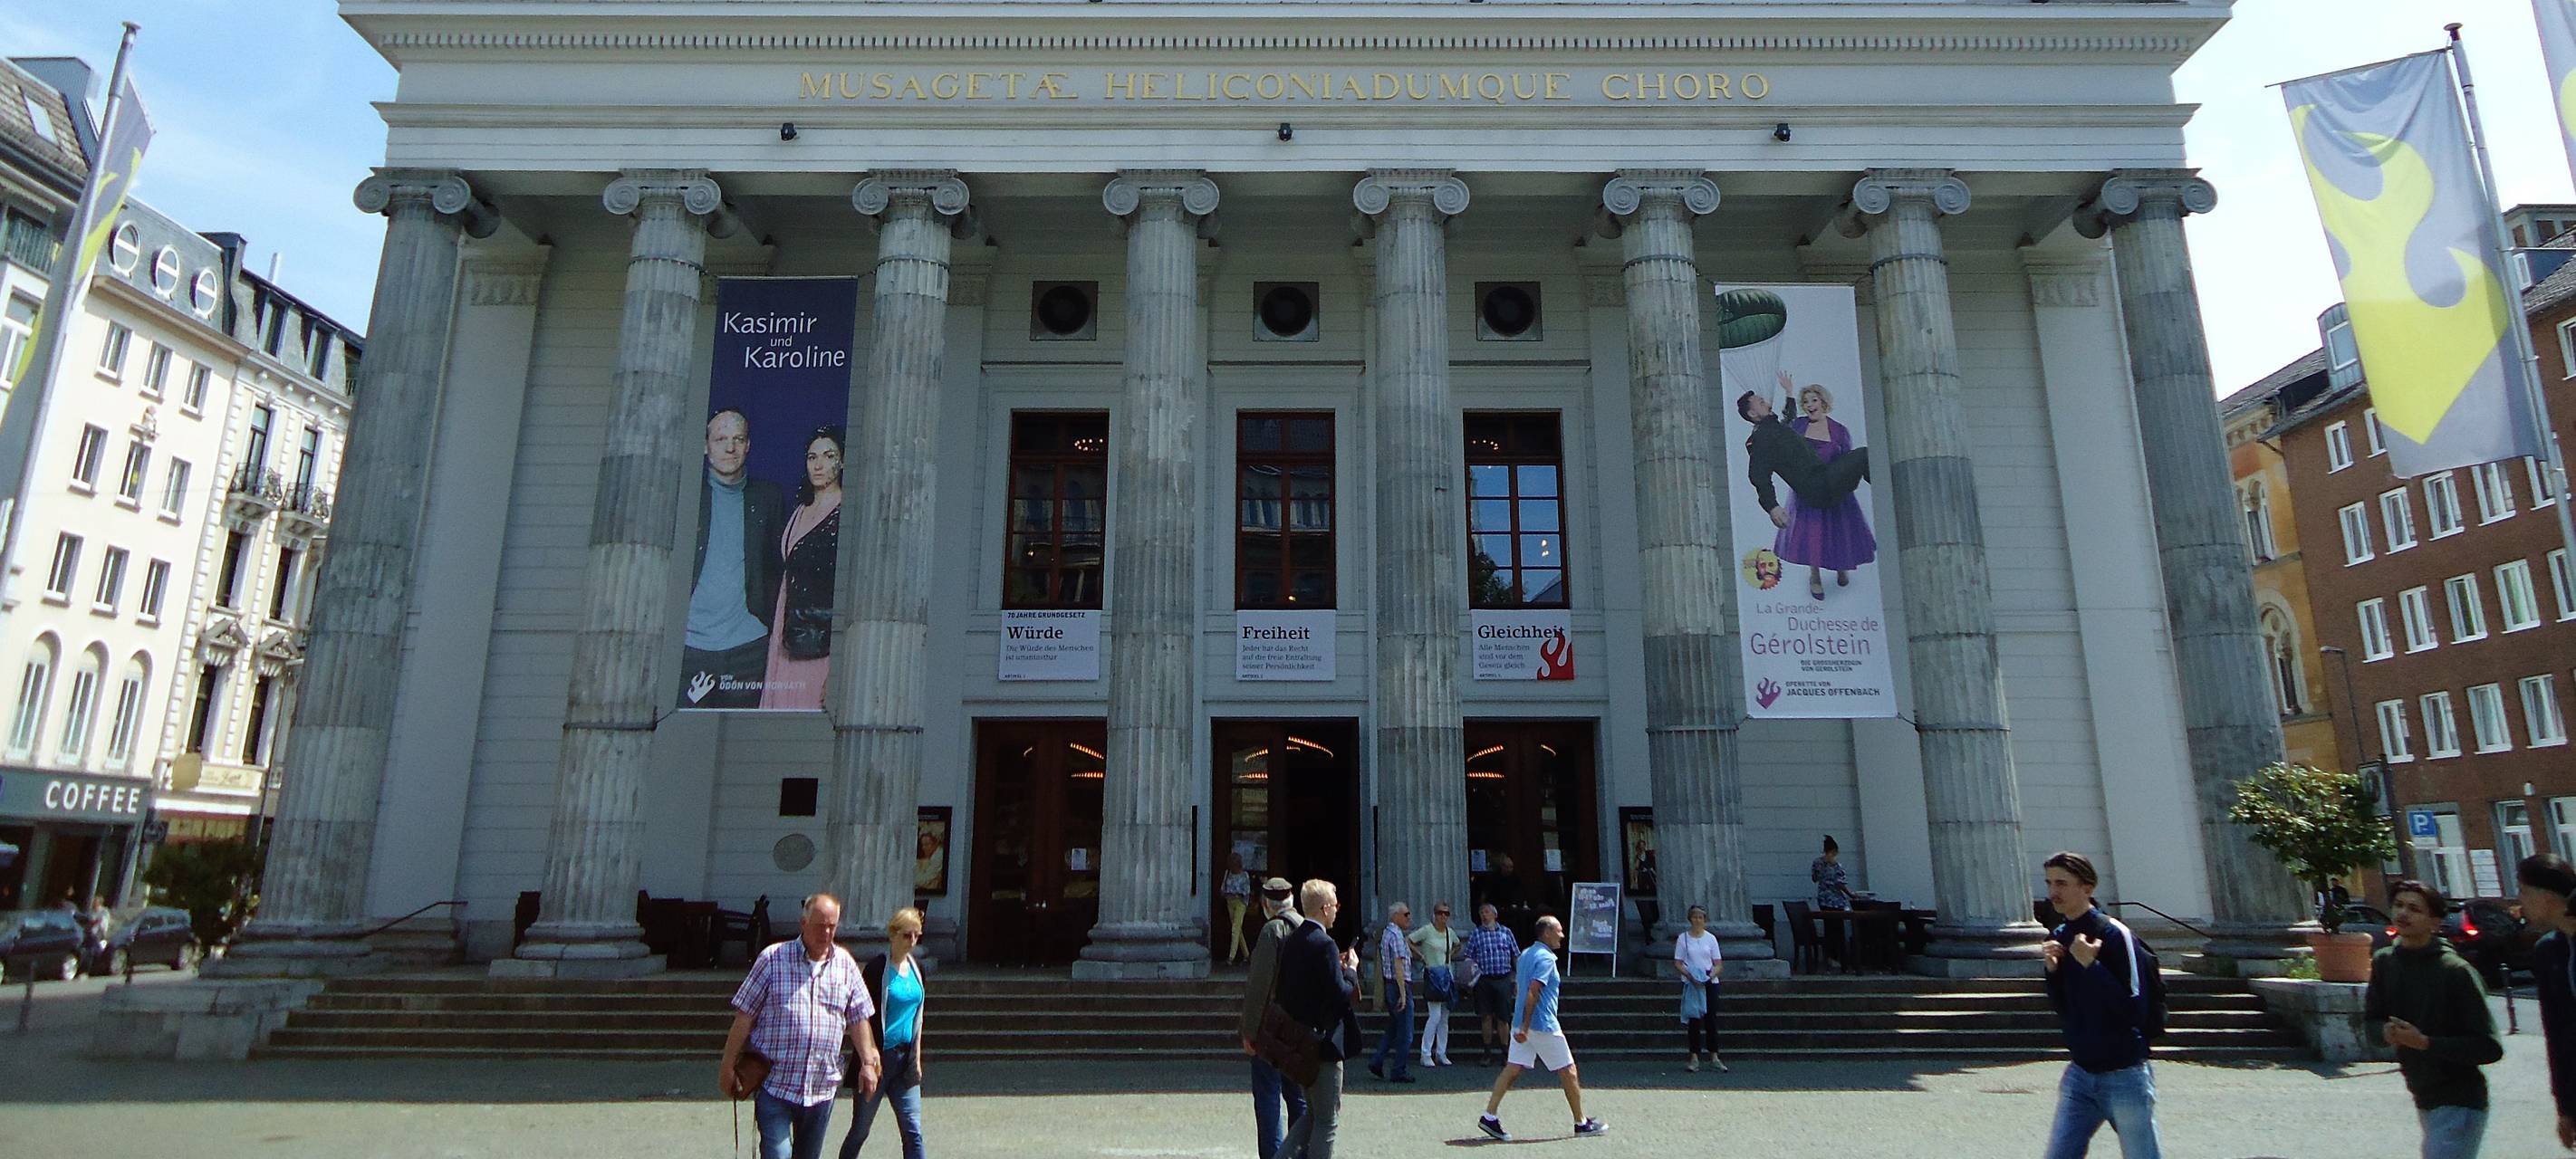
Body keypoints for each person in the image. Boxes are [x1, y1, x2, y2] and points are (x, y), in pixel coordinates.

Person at [722, 894, 880, 1159]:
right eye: (820, 926)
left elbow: (858, 1018)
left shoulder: (845, 964)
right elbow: (744, 1016)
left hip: (821, 1087)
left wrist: (867, 1061)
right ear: (803, 924)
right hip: (775, 1083)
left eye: (832, 926)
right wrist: (727, 1066)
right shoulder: (772, 959)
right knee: (778, 1154)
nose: (827, 933)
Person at [2368, 879, 2504, 1159]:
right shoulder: (2384, 961)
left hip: (2460, 1099)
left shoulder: (2456, 971)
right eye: (2398, 905)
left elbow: (2489, 1047)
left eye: (2414, 909)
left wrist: (2426, 1043)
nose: (2403, 914)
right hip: (2423, 1094)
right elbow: (2371, 1021)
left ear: (2435, 921)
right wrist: (2386, 1032)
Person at [2040, 851, 2161, 1159]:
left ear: (2088, 888)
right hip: (2080, 1073)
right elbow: (2065, 1008)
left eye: (2062, 883)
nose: (2053, 892)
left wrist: (2091, 966)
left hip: (2125, 1074)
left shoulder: (2115, 934)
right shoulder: (2059, 936)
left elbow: (2135, 1009)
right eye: (2049, 883)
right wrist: (2053, 973)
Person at [687, 408, 786, 709]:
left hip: (749, 647)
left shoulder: (768, 497)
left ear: (748, 445)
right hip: (690, 646)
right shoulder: (688, 496)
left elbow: (779, 568)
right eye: (720, 439)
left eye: (737, 439)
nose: (730, 447)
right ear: (705, 446)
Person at [1478, 915, 1606, 1141]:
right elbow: (1533, 991)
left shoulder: (1526, 954)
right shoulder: (1546, 959)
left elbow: (1519, 987)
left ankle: (1489, 1115)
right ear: (1546, 933)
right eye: (1558, 931)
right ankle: (1581, 1122)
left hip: (1521, 1022)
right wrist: (1526, 1026)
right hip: (1541, 1024)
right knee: (1568, 1070)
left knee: (1512, 1069)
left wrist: (1520, 1024)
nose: (1562, 935)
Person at [1278, 879, 1364, 1159]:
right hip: (1324, 1042)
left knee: (1313, 1114)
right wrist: (1350, 971)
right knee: (1327, 1120)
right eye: (1336, 906)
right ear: (1325, 908)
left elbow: (1289, 990)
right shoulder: (1324, 943)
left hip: (1300, 1038)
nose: (1337, 911)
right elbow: (1340, 995)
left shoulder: (1293, 940)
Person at [1771, 377, 1877, 600]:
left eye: (1814, 400)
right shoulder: (1799, 425)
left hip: (1834, 485)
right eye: (1806, 401)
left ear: (1823, 402)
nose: (1810, 405)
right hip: (1809, 486)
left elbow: (1846, 459)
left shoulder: (1839, 430)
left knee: (1838, 527)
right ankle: (1815, 576)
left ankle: (1841, 566)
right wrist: (1789, 393)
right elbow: (1784, 424)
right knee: (1813, 533)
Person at [761, 426, 842, 710]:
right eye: (812, 457)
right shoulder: (798, 510)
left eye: (828, 456)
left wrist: (838, 668)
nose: (819, 464)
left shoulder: (845, 511)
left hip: (820, 644)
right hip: (786, 633)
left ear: (841, 461)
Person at [841, 907, 928, 1159]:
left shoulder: (917, 969)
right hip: (879, 1059)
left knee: (913, 1131)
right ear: (893, 935)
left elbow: (918, 1018)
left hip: (905, 1060)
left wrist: (917, 1057)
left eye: (916, 936)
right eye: (907, 935)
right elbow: (862, 1016)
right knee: (860, 1130)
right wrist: (867, 1056)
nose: (912, 941)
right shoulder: (877, 969)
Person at [1738, 387, 1871, 546]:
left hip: (1823, 478)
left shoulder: (1774, 428)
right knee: (1865, 455)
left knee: (1862, 459)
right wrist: (1772, 506)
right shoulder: (1761, 438)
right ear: (1753, 414)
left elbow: (1789, 418)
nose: (1766, 403)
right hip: (1818, 485)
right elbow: (1758, 475)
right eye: (1761, 402)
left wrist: (1788, 394)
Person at [1239, 877, 1309, 1159]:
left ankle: (1273, 1156)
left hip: (1272, 1027)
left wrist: (1249, 1031)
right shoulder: (1309, 928)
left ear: (1267, 904)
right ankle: (1302, 1153)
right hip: (1302, 1026)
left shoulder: (1272, 931)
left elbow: (1259, 986)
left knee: (1269, 1097)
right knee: (1298, 1098)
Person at [2515, 854, 2576, 1152]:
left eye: (2523, 891)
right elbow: (2557, 1035)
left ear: (2547, 895)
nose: (2519, 902)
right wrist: (2564, 1107)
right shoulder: (2549, 951)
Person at [1463, 903, 1520, 1067]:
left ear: (1494, 915)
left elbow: (1515, 956)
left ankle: (1505, 1052)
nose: (1484, 915)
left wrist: (1517, 979)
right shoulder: (1476, 934)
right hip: (1484, 980)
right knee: (1485, 1016)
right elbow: (1468, 956)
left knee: (1503, 1018)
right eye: (1481, 912)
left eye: (1487, 912)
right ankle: (1487, 1052)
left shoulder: (1506, 932)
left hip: (1503, 978)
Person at [1673, 905, 1726, 1074]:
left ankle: (1714, 1056)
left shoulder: (1711, 939)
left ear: (1705, 920)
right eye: (1695, 917)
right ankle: (1694, 1057)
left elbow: (1718, 963)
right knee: (1694, 1020)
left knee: (1711, 1019)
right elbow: (1678, 962)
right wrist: (1690, 976)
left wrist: (1710, 976)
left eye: (1700, 917)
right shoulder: (1683, 938)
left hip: (1709, 980)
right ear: (1690, 919)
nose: (1697, 920)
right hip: (1692, 979)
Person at [1368, 901, 1416, 1082]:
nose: (1409, 917)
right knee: (1406, 1032)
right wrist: (1403, 994)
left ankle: (1377, 1060)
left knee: (1394, 1028)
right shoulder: (1395, 935)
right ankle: (1398, 1070)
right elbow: (1398, 964)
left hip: (1390, 984)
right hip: (1399, 984)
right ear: (1395, 916)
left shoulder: (1388, 933)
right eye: (1406, 914)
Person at [1409, 902, 1462, 1068]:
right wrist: (1421, 956)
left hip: (1447, 975)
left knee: (1444, 1017)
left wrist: (1450, 956)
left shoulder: (1449, 932)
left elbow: (1458, 944)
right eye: (1440, 913)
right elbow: (1409, 940)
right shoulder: (1427, 930)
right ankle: (1425, 1053)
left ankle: (1441, 1052)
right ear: (1434, 914)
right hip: (1432, 975)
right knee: (1435, 1015)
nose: (1443, 916)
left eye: (1446, 913)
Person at [1812, 836, 1852, 968]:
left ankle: (1829, 957)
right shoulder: (1836, 865)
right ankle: (1839, 957)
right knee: (1838, 929)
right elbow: (1840, 884)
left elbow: (1815, 878)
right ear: (1834, 850)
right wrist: (1851, 895)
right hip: (1836, 901)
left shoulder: (1817, 863)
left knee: (1828, 928)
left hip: (1823, 899)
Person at [1222, 853, 1254, 966]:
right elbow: (1223, 889)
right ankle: (1247, 955)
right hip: (1229, 902)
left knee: (1235, 929)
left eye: (1235, 865)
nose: (1233, 867)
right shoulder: (1227, 873)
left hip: (1240, 903)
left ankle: (1231, 957)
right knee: (1237, 930)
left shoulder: (1244, 875)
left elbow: (1246, 891)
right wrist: (1226, 894)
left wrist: (1236, 895)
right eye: (1231, 865)